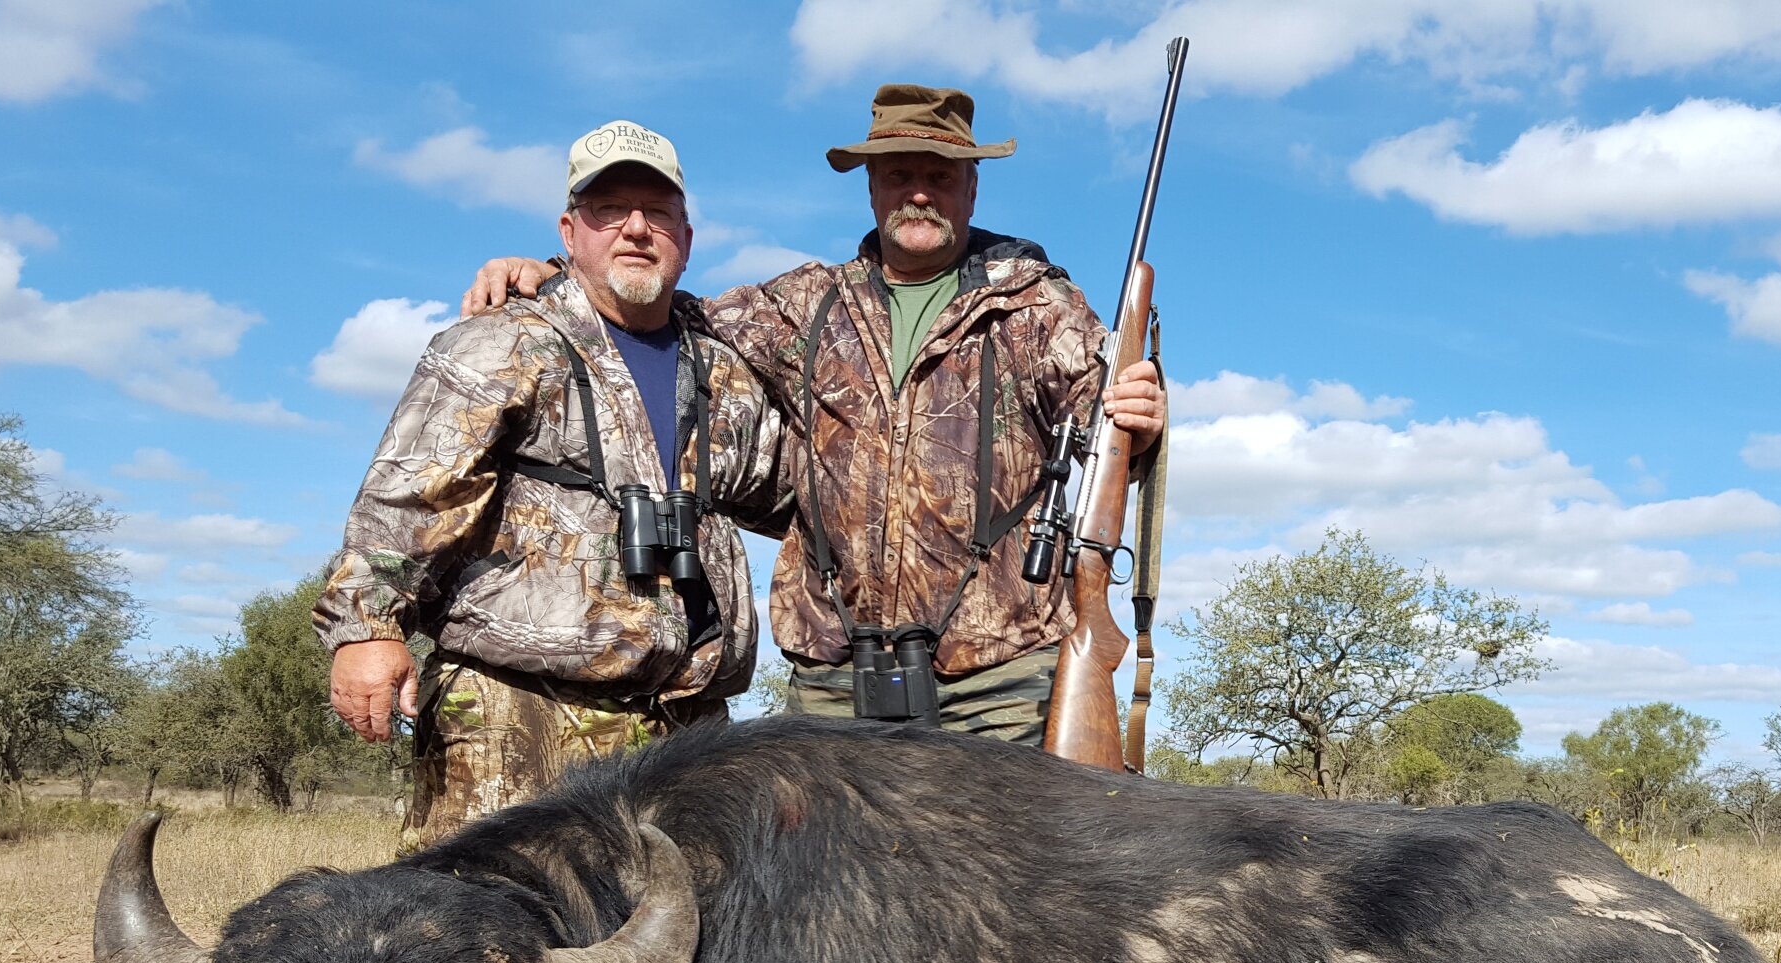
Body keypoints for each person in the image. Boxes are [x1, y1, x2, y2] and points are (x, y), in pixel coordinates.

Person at [463, 85, 1167, 744]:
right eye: (898, 175)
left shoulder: (1039, 305)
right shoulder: (806, 303)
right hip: (836, 670)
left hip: (1002, 679)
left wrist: (1140, 417)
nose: (918, 192)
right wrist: (557, 274)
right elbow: (666, 307)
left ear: (971, 188)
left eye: (940, 175)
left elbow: (1103, 421)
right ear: (870, 187)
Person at [318, 120, 782, 843]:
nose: (635, 230)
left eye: (657, 213)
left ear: (685, 239)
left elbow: (796, 495)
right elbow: (407, 499)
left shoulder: (724, 373)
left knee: (688, 939)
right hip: (517, 708)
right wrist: (364, 629)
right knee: (489, 932)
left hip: (684, 722)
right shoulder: (500, 342)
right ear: (570, 233)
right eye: (609, 212)